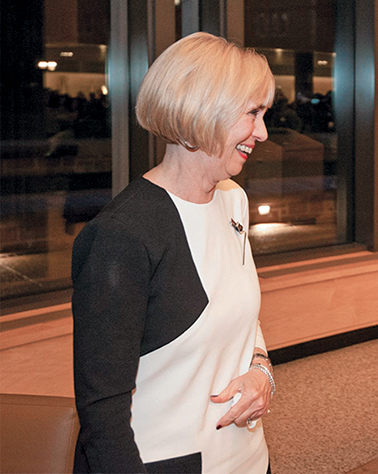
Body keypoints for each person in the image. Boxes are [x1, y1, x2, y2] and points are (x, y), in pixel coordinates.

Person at [71, 32, 276, 473]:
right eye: (252, 113)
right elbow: (101, 413)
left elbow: (241, 315)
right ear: (204, 111)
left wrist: (262, 370)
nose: (262, 131)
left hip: (249, 460)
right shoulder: (121, 236)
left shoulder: (233, 200)